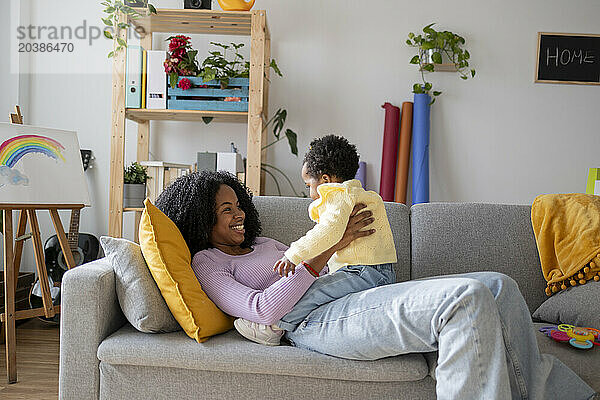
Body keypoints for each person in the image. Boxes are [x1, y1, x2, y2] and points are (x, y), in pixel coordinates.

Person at [156, 171, 596, 400]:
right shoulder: (208, 263)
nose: (236, 216)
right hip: (313, 321)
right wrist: (328, 249)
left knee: (499, 285)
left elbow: (308, 264)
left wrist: (342, 249)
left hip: (349, 292)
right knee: (467, 299)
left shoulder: (264, 242)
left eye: (236, 206)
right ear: (200, 218)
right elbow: (266, 310)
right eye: (223, 210)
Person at [234, 135, 397, 346]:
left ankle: (274, 327)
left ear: (326, 180)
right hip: (373, 272)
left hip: (365, 273)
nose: (310, 193)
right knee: (320, 291)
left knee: (314, 291)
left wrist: (292, 255)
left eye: (309, 184)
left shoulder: (340, 196)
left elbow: (328, 231)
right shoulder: (358, 194)